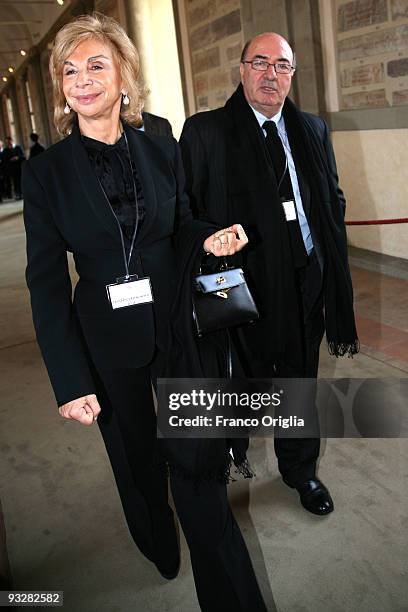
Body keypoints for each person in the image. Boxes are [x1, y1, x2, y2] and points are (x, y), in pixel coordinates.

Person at [23, 13, 266, 611]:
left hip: (178, 328)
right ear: (60, 86)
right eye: (69, 71)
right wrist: (70, 380)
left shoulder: (159, 145)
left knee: (197, 465)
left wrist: (210, 239)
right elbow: (47, 282)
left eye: (95, 65)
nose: (81, 81)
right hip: (107, 343)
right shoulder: (47, 173)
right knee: (136, 460)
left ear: (123, 74)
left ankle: (232, 597)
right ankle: (158, 540)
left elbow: (182, 223)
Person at [180, 33, 359, 516]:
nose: (270, 73)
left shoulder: (313, 131)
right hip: (239, 285)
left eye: (281, 65)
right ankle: (217, 468)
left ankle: (300, 470)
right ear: (241, 70)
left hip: (304, 279)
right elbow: (186, 211)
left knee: (298, 383)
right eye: (259, 62)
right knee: (238, 381)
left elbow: (331, 200)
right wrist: (207, 240)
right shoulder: (206, 132)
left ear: (291, 76)